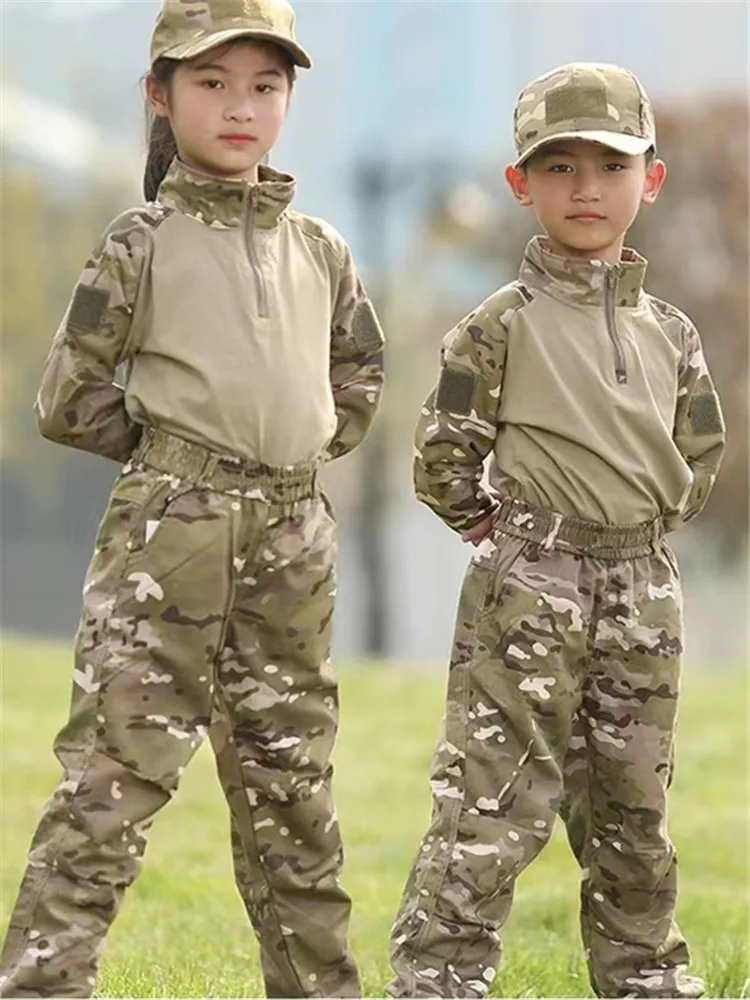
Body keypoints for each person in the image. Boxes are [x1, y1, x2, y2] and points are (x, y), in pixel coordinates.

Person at [0, 2, 384, 996]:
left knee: (295, 798)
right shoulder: (141, 241)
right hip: (169, 543)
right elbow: (67, 396)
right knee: (112, 782)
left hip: (292, 546)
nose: (240, 107)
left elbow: (358, 378)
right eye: (211, 83)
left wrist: (290, 453)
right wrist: (181, 455)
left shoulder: (322, 251)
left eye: (264, 85)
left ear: (290, 98)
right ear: (160, 95)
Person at [387, 62, 724, 999]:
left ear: (650, 180)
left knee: (634, 807)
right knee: (492, 800)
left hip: (643, 593)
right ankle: (438, 978)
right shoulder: (499, 326)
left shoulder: (672, 334)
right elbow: (442, 456)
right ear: (519, 182)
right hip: (531, 585)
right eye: (559, 166)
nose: (586, 188)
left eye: (611, 166)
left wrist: (640, 538)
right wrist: (509, 535)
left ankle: (646, 976)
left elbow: (699, 453)